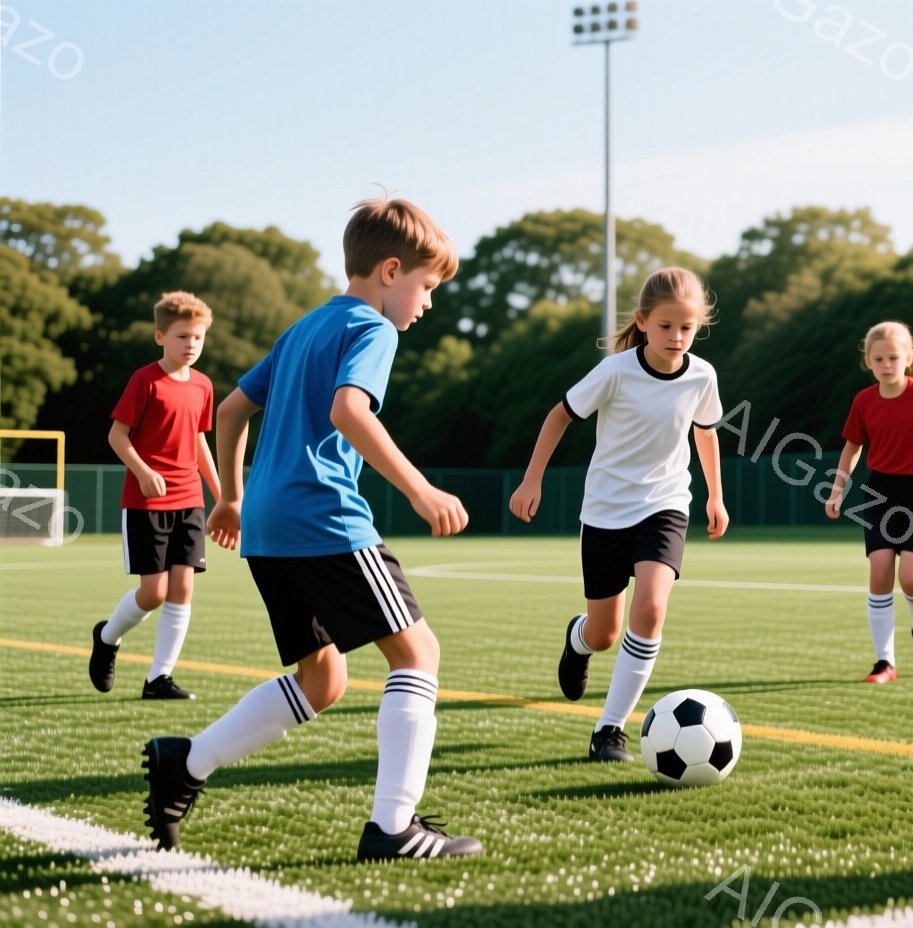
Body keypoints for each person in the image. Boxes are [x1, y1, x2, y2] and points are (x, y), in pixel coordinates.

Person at [143, 197, 483, 861]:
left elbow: (233, 409)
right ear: (391, 271)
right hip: (322, 516)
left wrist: (234, 498)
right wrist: (420, 489)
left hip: (270, 526)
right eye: (428, 286)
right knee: (419, 656)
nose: (428, 303)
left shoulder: (303, 328)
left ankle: (186, 763)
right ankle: (393, 830)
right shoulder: (372, 329)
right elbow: (349, 410)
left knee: (322, 679)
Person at [509, 266, 727, 763]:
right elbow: (559, 414)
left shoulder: (703, 375)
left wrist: (715, 496)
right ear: (645, 322)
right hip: (605, 512)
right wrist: (531, 479)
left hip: (666, 505)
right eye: (666, 326)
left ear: (698, 328)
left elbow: (706, 432)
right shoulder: (615, 371)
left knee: (650, 608)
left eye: (687, 328)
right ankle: (577, 640)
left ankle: (609, 730)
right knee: (604, 632)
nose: (677, 337)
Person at [90, 292, 220, 701]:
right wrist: (143, 471)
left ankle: (158, 679)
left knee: (183, 587)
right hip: (147, 502)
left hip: (190, 500)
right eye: (182, 336)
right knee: (154, 592)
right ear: (160, 336)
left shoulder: (203, 385)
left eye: (198, 337)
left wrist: (225, 494)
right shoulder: (144, 380)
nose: (191, 345)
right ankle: (107, 637)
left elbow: (199, 440)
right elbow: (117, 435)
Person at [824, 321, 913, 685]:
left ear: (907, 358)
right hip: (880, 493)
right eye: (879, 358)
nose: (886, 364)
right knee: (881, 575)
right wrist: (838, 489)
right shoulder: (864, 401)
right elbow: (852, 447)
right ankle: (884, 663)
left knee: (912, 579)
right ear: (868, 362)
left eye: (893, 357)